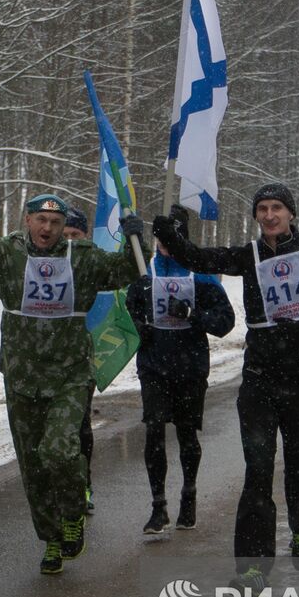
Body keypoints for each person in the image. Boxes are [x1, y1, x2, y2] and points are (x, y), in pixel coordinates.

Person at [0, 165, 146, 574]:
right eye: (41, 220)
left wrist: (138, 237)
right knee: (32, 464)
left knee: (60, 449)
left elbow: (129, 270)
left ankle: (71, 516)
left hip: (69, 374)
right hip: (22, 375)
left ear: (64, 225)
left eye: (55, 221)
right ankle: (50, 539)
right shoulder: (8, 254)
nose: (47, 228)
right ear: (27, 221)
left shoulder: (81, 258)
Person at [153, 182, 299, 588]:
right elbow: (202, 258)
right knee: (257, 471)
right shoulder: (248, 255)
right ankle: (252, 566)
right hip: (260, 381)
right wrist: (171, 237)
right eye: (262, 208)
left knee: (298, 466)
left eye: (277, 207)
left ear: (291, 213)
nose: (269, 215)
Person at [124, 205, 235, 534]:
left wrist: (192, 314)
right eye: (161, 239)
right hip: (154, 366)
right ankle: (158, 507)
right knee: (154, 431)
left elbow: (226, 323)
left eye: (173, 238)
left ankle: (189, 494)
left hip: (190, 367)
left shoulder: (201, 278)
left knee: (186, 434)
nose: (166, 245)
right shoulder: (144, 275)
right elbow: (126, 314)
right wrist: (138, 328)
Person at [63, 207, 99, 514]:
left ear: (84, 236)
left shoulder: (93, 264)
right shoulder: (44, 262)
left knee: (80, 427)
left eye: (76, 235)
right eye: (65, 235)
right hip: (46, 363)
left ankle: (83, 486)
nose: (71, 241)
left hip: (81, 360)